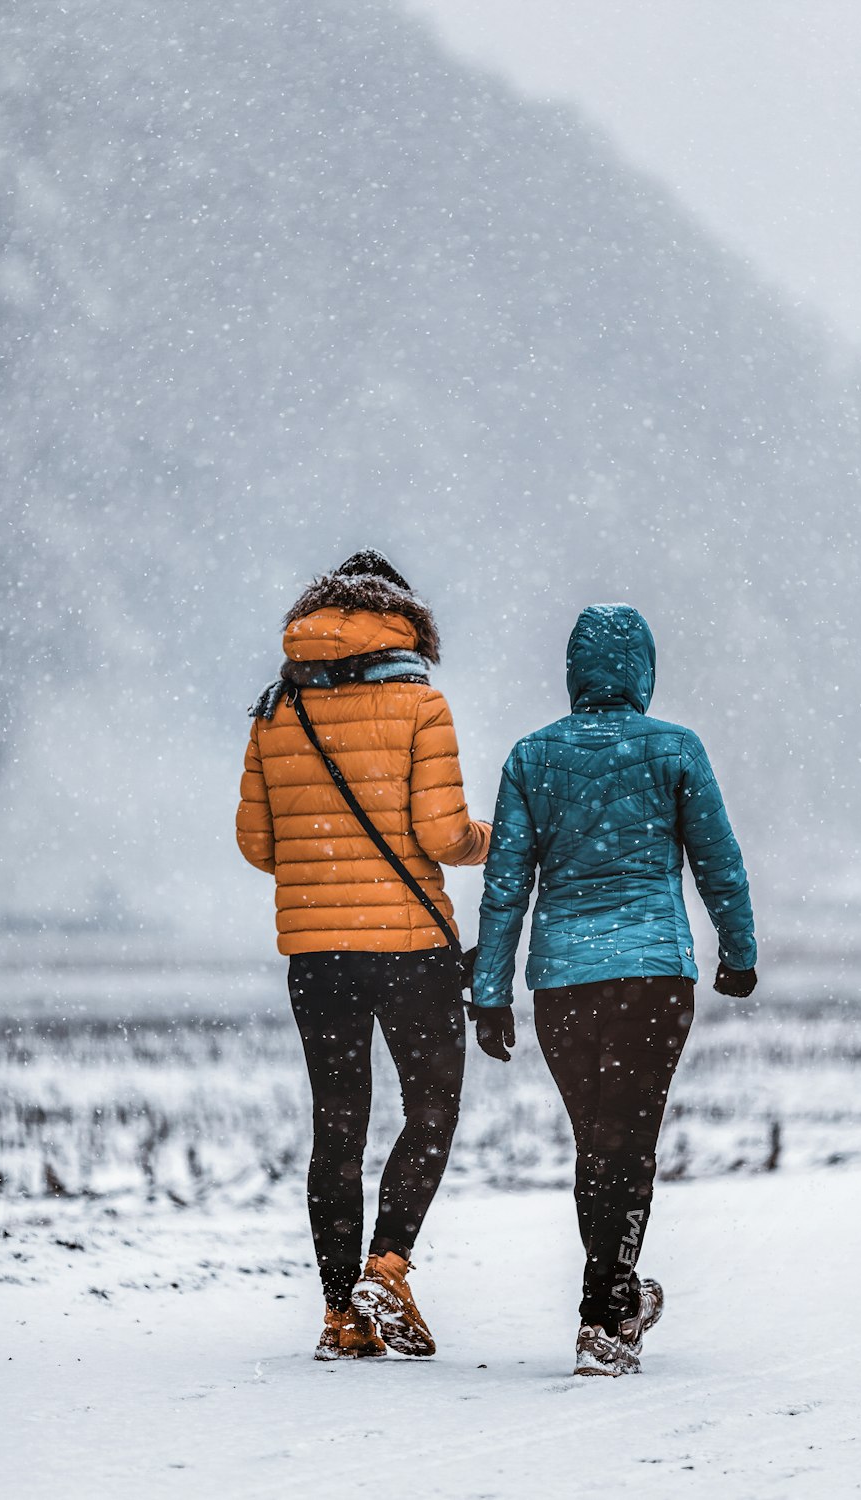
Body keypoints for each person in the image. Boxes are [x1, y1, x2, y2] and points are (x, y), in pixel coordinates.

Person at [470, 603, 756, 1377]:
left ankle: (613, 1301)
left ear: (574, 674)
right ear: (643, 672)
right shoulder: (676, 750)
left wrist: (489, 991)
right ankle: (606, 1315)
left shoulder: (531, 758)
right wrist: (738, 952)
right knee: (626, 1143)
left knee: (597, 1142)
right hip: (654, 976)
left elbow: (506, 889)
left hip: (564, 984)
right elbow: (717, 860)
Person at [236, 550, 490, 1360]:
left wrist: (325, 865)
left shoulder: (274, 711)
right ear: (404, 622)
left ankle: (340, 1314)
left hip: (315, 953)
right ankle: (387, 1264)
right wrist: (494, 839)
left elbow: (257, 844)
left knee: (336, 1129)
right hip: (412, 951)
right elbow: (445, 838)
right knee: (432, 1110)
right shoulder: (420, 705)